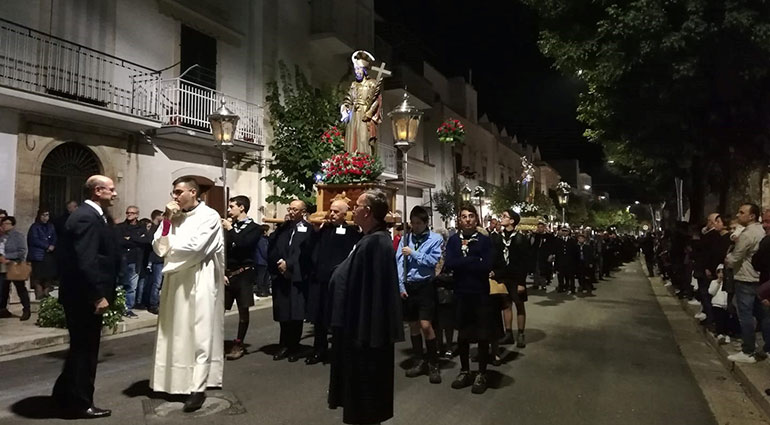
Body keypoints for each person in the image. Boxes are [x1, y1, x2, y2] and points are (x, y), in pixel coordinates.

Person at [328, 189, 404, 424]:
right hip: (357, 328)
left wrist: (364, 331)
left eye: (357, 206)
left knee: (367, 397)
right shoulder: (368, 239)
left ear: (368, 212)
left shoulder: (376, 243)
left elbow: (376, 295)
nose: (354, 209)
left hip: (366, 332)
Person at [150, 176, 226, 412]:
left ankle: (197, 387)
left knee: (199, 332)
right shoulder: (174, 217)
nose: (174, 197)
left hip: (199, 278)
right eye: (173, 192)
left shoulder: (210, 216)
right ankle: (173, 381)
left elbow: (196, 248)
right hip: (175, 279)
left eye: (178, 192)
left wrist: (170, 252)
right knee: (173, 330)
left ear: (193, 192)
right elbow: (158, 246)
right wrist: (166, 222)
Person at [52, 175, 119, 419]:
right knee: (85, 352)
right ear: (97, 191)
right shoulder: (86, 218)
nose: (114, 193)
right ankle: (81, 403)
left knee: (80, 349)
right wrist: (97, 295)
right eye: (111, 189)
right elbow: (86, 260)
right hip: (84, 297)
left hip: (82, 295)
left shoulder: (94, 216)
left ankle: (62, 396)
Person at [445, 204, 496, 394]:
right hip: (461, 293)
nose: (467, 219)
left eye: (471, 216)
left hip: (480, 293)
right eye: (463, 216)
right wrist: (474, 260)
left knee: (482, 334)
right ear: (459, 220)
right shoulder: (453, 241)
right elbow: (450, 263)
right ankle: (465, 370)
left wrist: (465, 263)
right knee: (463, 335)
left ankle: (482, 372)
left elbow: (488, 265)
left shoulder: (484, 241)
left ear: (476, 219)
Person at [305, 199, 361, 365]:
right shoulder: (322, 230)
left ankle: (339, 350)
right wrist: (314, 232)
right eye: (331, 210)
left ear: (345, 214)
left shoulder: (351, 232)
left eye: (337, 211)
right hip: (319, 279)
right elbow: (308, 249)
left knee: (336, 317)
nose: (332, 214)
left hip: (338, 281)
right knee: (319, 317)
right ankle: (319, 349)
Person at [396, 206, 443, 383]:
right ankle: (418, 360)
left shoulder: (435, 239)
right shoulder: (405, 239)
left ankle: (433, 362)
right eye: (412, 223)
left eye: (418, 223)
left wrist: (414, 253)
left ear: (425, 223)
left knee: (425, 325)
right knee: (414, 325)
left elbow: (432, 262)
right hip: (409, 285)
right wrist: (400, 285)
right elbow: (399, 262)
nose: (415, 226)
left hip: (425, 285)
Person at [268, 200, 313, 362]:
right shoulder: (283, 228)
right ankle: (284, 344)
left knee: (296, 313)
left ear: (303, 211)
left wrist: (290, 265)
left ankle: (294, 345)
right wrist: (280, 262)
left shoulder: (307, 230)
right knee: (283, 312)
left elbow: (303, 252)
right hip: (281, 276)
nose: (291, 212)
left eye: (295, 209)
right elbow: (274, 247)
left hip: (297, 276)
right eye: (290, 209)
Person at [725, 203, 767, 364]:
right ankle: (759, 344)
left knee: (745, 314)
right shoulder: (760, 231)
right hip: (758, 278)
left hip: (745, 278)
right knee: (761, 314)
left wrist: (728, 259)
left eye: (742, 212)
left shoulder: (748, 234)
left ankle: (748, 349)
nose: (738, 215)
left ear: (752, 216)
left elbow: (736, 257)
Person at [222, 195, 262, 361]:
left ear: (242, 208)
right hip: (228, 273)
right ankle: (214, 341)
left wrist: (230, 229)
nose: (229, 209)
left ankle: (239, 343)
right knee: (219, 309)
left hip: (244, 273)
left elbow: (243, 245)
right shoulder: (229, 226)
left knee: (243, 310)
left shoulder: (254, 228)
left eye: (232, 206)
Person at [490, 209, 529, 349]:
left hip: (516, 277)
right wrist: (494, 271)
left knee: (519, 305)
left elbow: (524, 262)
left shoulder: (520, 239)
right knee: (506, 305)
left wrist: (521, 282)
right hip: (503, 277)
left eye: (504, 216)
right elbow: (495, 257)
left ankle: (521, 334)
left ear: (512, 221)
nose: (501, 218)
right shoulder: (497, 238)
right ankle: (508, 334)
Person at [116, 206, 151, 317]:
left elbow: (147, 241)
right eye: (127, 212)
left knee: (132, 286)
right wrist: (136, 240)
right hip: (123, 259)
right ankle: (119, 306)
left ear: (137, 215)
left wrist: (131, 238)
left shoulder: (142, 227)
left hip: (136, 260)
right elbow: (120, 241)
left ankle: (128, 307)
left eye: (132, 213)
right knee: (121, 284)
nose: (129, 215)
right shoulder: (120, 227)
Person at [0, 216, 30, 320]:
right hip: (3, 267)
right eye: (3, 224)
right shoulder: (2, 237)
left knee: (20, 288)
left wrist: (8, 257)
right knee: (3, 288)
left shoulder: (18, 236)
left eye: (7, 223)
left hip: (15, 265)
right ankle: (3, 310)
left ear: (12, 225)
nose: (4, 226)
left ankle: (26, 309)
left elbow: (22, 251)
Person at [27, 208, 58, 300]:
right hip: (38, 255)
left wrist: (52, 245)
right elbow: (34, 240)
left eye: (47, 215)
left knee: (49, 275)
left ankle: (46, 291)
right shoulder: (34, 227)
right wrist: (46, 246)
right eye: (43, 215)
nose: (45, 218)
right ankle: (39, 293)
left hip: (48, 255)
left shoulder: (51, 226)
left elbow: (54, 238)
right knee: (38, 277)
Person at [145, 210, 165, 315]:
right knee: (156, 283)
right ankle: (153, 305)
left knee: (160, 283)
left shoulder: (158, 228)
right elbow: (151, 241)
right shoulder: (153, 229)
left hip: (163, 258)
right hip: (157, 259)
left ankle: (159, 303)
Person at [554, 227, 579, 294]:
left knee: (571, 276)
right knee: (561, 275)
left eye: (566, 231)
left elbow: (575, 252)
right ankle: (561, 287)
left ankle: (572, 288)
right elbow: (556, 251)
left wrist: (575, 262)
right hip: (561, 261)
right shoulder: (558, 240)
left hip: (570, 261)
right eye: (563, 231)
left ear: (568, 232)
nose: (564, 232)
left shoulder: (572, 241)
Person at [529, 222, 553, 290]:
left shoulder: (548, 236)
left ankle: (543, 284)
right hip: (536, 255)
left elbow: (551, 246)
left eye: (541, 227)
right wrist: (532, 235)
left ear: (544, 228)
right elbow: (531, 244)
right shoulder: (535, 235)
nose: (540, 229)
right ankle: (535, 283)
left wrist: (550, 254)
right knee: (535, 269)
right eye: (538, 227)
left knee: (543, 270)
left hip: (544, 255)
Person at [254, 224, 271, 298]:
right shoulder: (262, 240)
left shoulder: (265, 239)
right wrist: (269, 258)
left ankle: (265, 290)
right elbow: (264, 251)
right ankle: (261, 290)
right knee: (261, 277)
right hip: (261, 261)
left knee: (265, 277)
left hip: (264, 261)